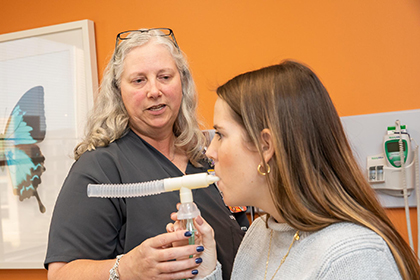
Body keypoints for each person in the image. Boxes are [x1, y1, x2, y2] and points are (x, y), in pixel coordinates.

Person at [169, 60, 420, 279]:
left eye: (221, 135)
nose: (210, 152)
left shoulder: (352, 257)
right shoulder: (262, 233)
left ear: (266, 145)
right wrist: (206, 270)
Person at [44, 28, 247, 280]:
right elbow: (60, 274)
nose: (154, 90)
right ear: (118, 91)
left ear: (182, 82)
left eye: (164, 76)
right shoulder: (100, 168)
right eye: (139, 80)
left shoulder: (205, 156)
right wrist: (126, 268)